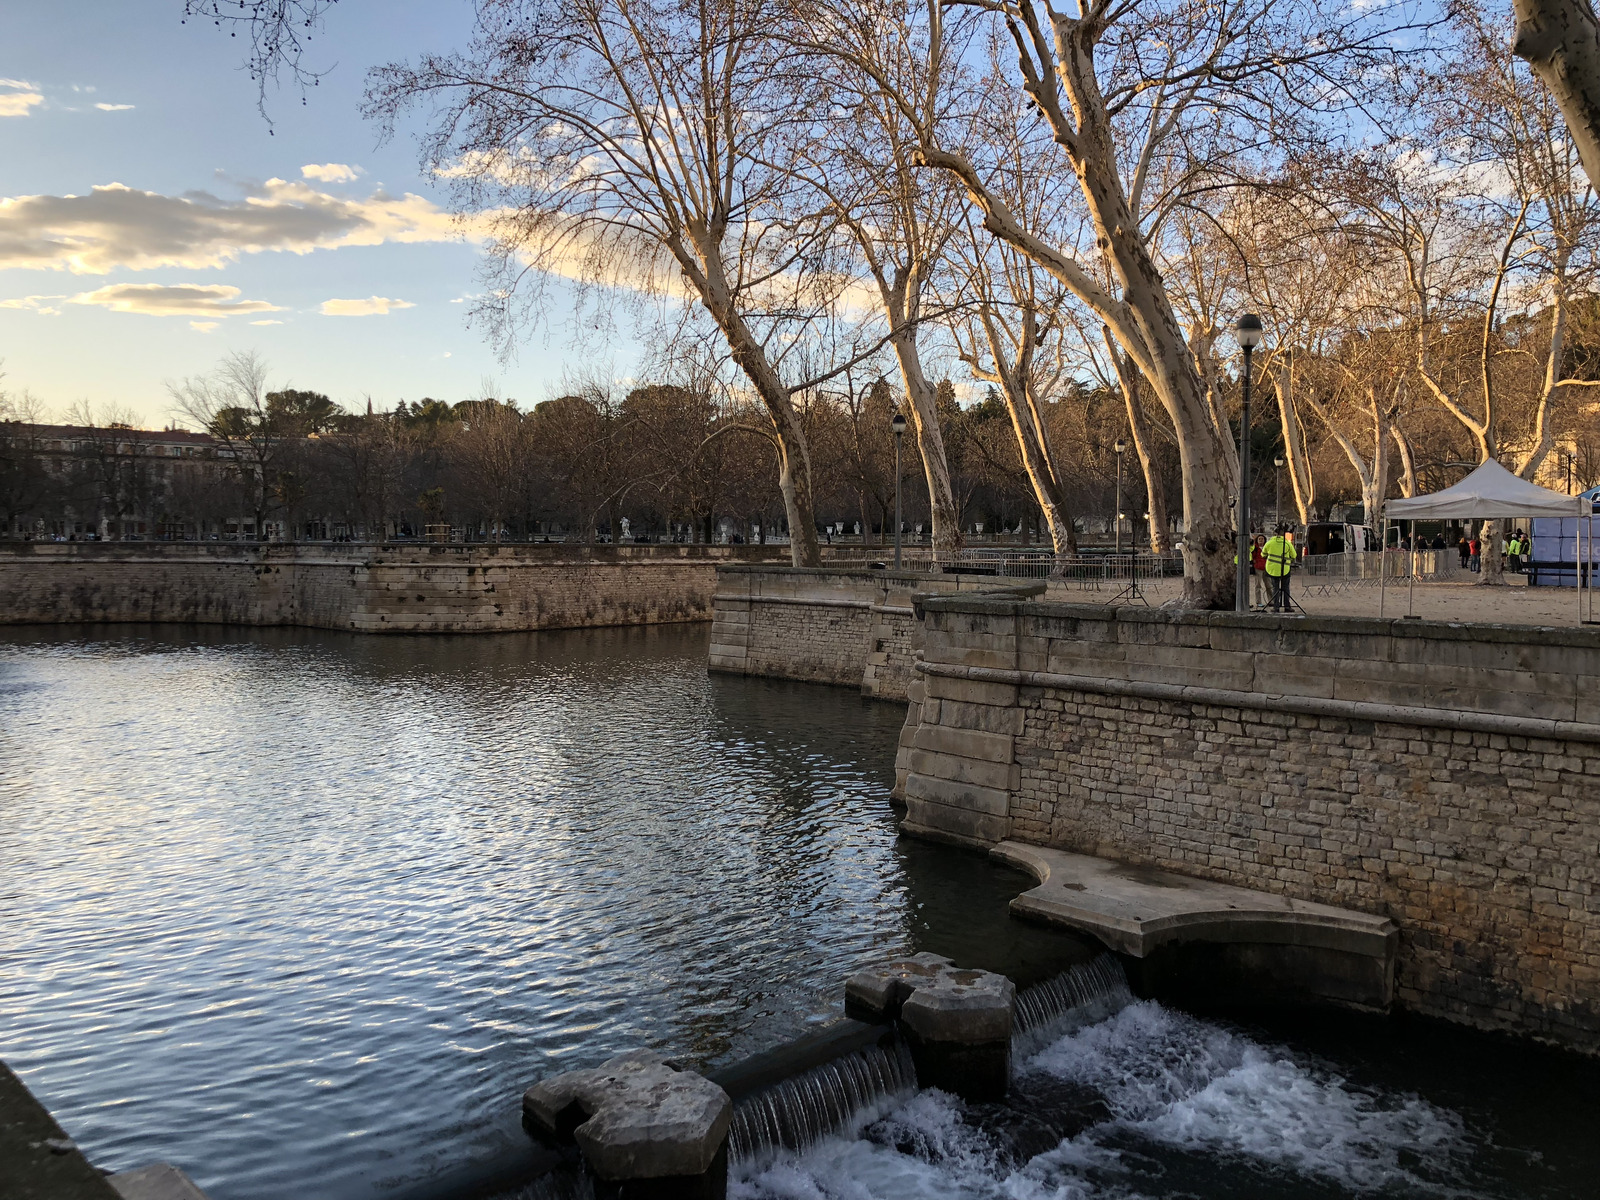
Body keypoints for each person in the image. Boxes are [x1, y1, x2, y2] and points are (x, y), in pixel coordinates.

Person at [1263, 523, 1299, 612]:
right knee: (1286, 588)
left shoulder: (1269, 543)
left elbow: (1263, 554)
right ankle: (1287, 606)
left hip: (1272, 569)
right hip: (1285, 569)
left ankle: (1276, 607)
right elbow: (1294, 555)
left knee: (1275, 588)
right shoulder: (1287, 543)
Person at [1250, 534, 1269, 609]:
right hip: (1258, 568)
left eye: (1262, 539)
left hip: (1266, 567)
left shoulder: (1266, 547)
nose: (1261, 540)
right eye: (1259, 539)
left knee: (1269, 585)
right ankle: (1258, 602)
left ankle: (1271, 601)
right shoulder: (1255, 548)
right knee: (1258, 585)